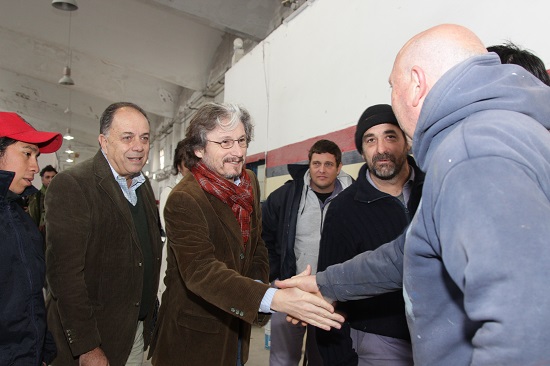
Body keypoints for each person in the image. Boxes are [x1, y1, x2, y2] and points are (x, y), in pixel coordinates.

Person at [278, 24, 550, 365]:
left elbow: (525, 322)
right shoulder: (500, 131)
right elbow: (409, 252)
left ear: (417, 84)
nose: (394, 97)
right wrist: (325, 283)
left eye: (394, 86)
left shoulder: (472, 152)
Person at [149, 102, 344, 366]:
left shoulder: (248, 182)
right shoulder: (184, 199)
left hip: (238, 325)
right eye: (225, 142)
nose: (238, 152)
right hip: (194, 337)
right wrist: (273, 298)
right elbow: (201, 271)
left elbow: (256, 248)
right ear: (198, 148)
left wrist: (257, 292)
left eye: (242, 140)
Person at [45, 102, 163, 366]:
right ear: (103, 141)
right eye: (127, 137)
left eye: (144, 138)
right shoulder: (73, 185)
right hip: (95, 340)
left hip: (133, 332)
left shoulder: (142, 186)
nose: (139, 146)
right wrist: (88, 348)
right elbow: (64, 277)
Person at [315, 104, 423, 366]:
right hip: (380, 345)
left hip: (445, 337)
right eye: (370, 140)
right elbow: (328, 297)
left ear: (407, 143)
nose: (381, 149)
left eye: (390, 136)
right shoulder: (343, 209)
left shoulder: (436, 189)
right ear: (361, 150)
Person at [262, 139, 353, 366]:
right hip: (290, 288)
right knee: (284, 359)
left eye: (329, 164)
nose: (321, 170)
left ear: (339, 167)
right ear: (309, 165)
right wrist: (276, 277)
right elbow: (265, 237)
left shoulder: (353, 198)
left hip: (332, 294)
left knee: (322, 358)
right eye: (316, 164)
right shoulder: (286, 196)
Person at [0, 112, 61, 365]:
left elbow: (31, 292)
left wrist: (43, 349)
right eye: (27, 153)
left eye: (36, 156)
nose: (35, 166)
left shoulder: (19, 217)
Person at [157, 140, 189, 304]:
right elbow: (176, 233)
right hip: (174, 263)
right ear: (179, 166)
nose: (192, 169)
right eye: (187, 164)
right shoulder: (169, 193)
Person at [28, 164, 57, 236]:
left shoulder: (63, 196)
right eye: (47, 177)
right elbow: (33, 217)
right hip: (39, 234)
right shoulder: (35, 196)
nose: (50, 180)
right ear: (42, 179)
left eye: (53, 177)